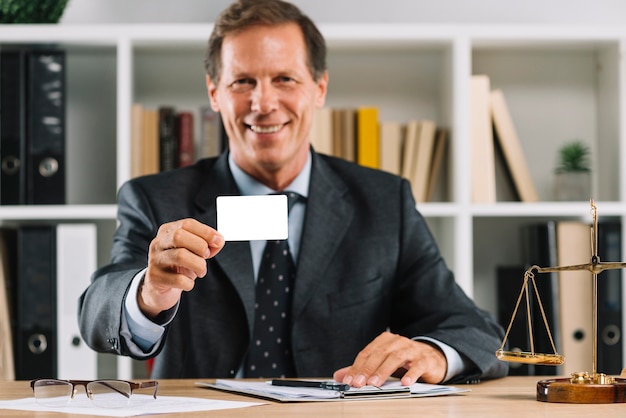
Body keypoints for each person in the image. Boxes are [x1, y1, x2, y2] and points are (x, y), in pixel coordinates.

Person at [78, 0, 508, 387]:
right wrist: (148, 292)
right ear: (214, 93)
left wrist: (433, 353)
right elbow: (95, 316)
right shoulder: (155, 199)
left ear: (319, 88)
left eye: (284, 78)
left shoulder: (383, 201)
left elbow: (475, 329)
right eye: (242, 82)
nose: (263, 103)